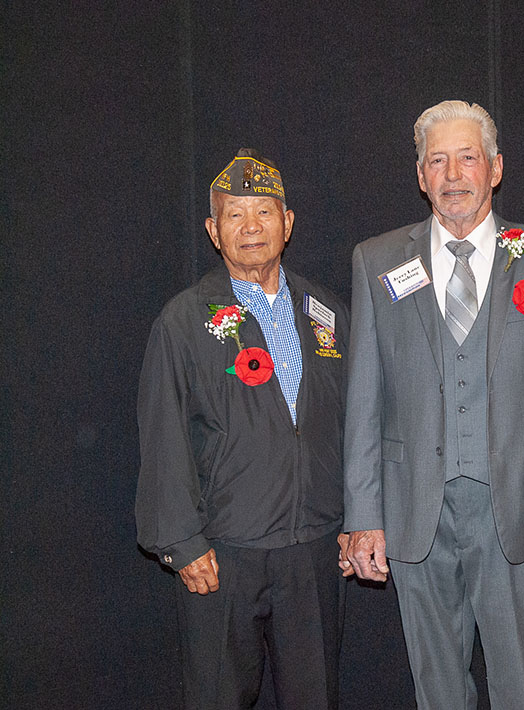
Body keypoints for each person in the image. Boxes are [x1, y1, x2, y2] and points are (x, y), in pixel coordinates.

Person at [339, 100, 524, 710]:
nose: (454, 175)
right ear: (421, 176)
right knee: (437, 692)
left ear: (496, 168)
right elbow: (363, 400)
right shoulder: (377, 261)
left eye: (468, 158)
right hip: (414, 510)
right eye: (438, 161)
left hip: (521, 512)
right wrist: (362, 514)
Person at [135, 148, 348, 709]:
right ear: (213, 230)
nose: (251, 226)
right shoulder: (183, 320)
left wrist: (360, 518)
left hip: (315, 547)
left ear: (288, 222)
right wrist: (180, 541)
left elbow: (357, 422)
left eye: (264, 212)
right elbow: (163, 436)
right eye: (234, 215)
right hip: (224, 554)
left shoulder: (326, 309)